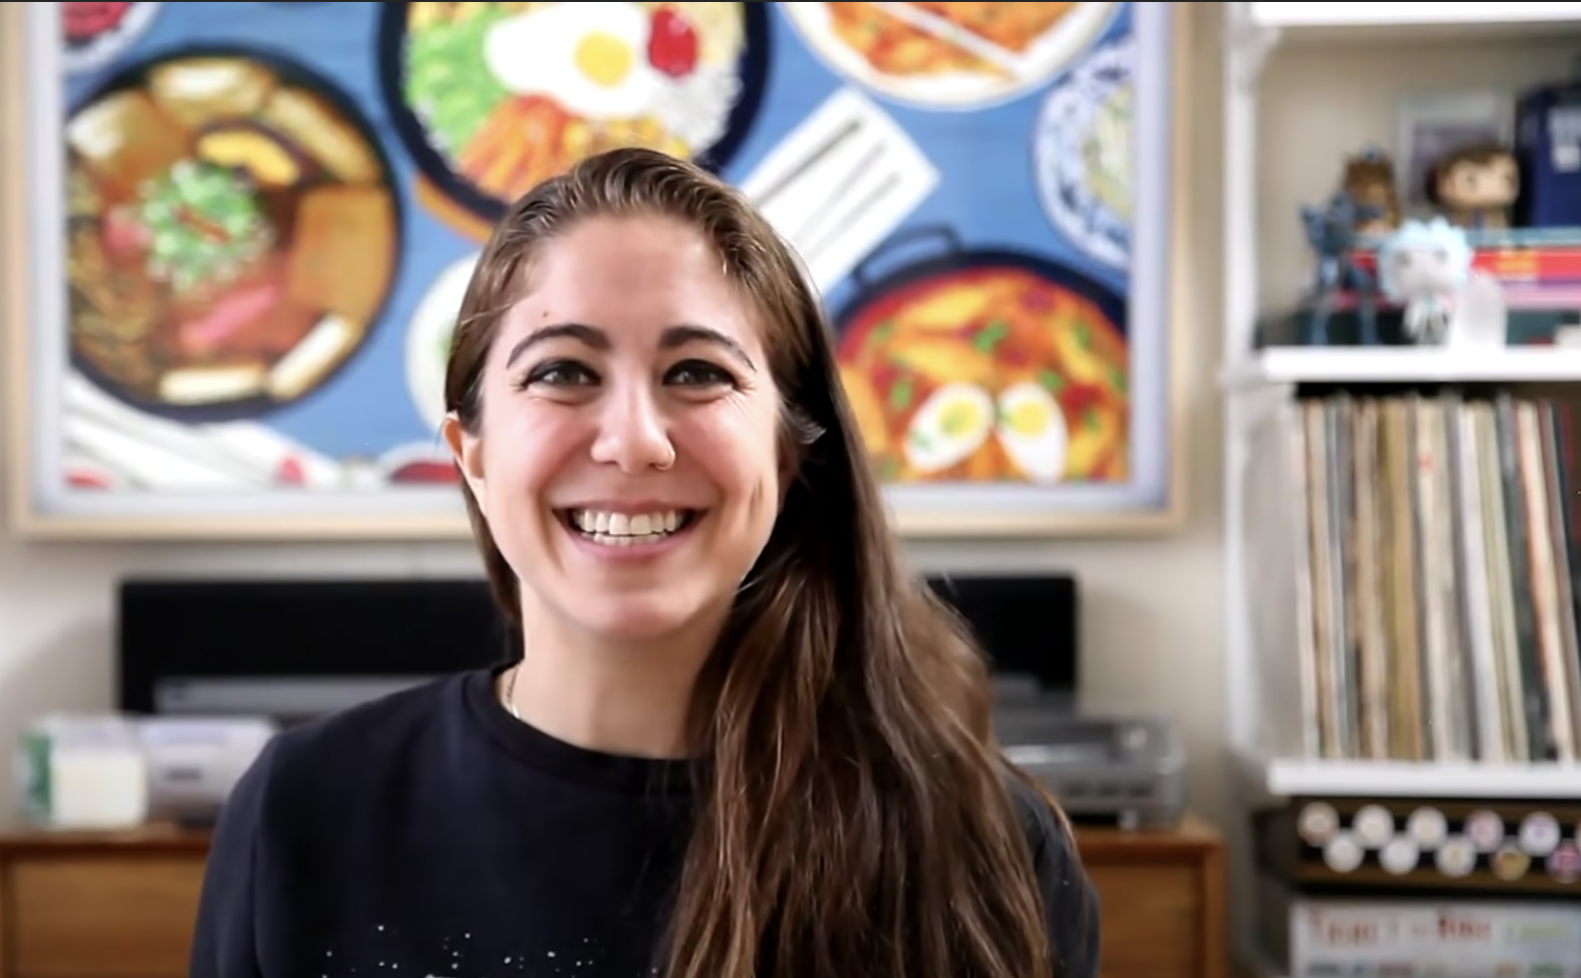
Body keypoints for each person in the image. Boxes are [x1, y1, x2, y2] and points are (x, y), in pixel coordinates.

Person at [189, 147, 1100, 978]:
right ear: (473, 456)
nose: (634, 441)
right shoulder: (304, 812)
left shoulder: (989, 849)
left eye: (698, 372)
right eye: (562, 372)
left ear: (788, 456)